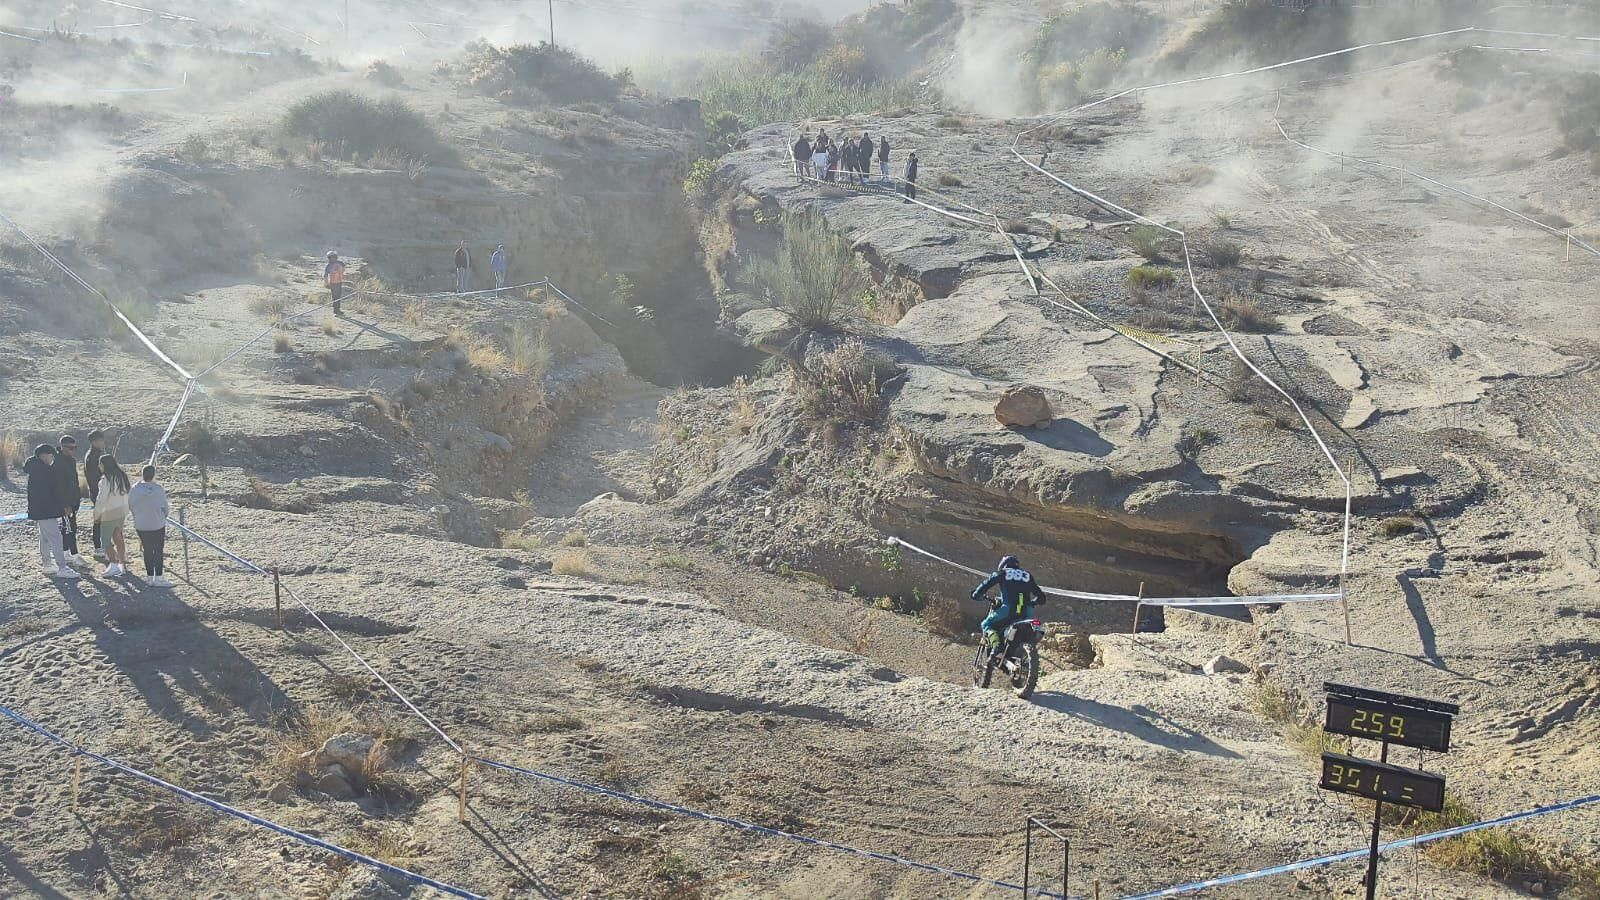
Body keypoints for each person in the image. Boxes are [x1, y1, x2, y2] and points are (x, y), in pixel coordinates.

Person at [971, 555, 1046, 655]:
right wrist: (1032, 603)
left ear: (1003, 565)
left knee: (986, 624)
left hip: (1008, 610)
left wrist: (976, 594)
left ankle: (996, 646)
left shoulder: (1002, 572)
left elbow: (985, 584)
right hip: (1025, 614)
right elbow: (1042, 598)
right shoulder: (1027, 575)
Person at [25, 445, 76, 579]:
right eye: (50, 455)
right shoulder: (43, 471)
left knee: (45, 537)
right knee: (56, 538)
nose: (51, 458)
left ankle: (47, 564)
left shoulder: (36, 469)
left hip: (41, 510)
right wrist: (63, 506)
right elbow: (54, 491)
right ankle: (62, 567)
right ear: (43, 455)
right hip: (46, 510)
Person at [129, 464, 172, 588]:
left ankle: (149, 577)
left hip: (141, 524)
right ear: (153, 475)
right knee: (158, 550)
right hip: (157, 524)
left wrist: (138, 515)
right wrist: (162, 516)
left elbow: (131, 505)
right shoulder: (158, 489)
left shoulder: (134, 489)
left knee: (147, 550)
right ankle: (158, 577)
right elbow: (165, 508)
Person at [94, 456, 132, 578]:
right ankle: (122, 564)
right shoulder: (122, 477)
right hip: (121, 512)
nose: (99, 466)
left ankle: (113, 564)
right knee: (118, 538)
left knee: (105, 540)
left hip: (109, 513)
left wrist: (96, 515)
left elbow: (101, 500)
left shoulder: (106, 480)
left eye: (100, 464)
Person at [52, 434, 86, 564]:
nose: (73, 450)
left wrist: (77, 499)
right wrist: (65, 505)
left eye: (74, 447)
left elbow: (74, 482)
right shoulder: (57, 462)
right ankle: (74, 555)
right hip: (65, 503)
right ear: (63, 447)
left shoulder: (71, 461)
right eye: (70, 448)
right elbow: (59, 486)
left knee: (69, 527)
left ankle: (65, 552)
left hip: (73, 500)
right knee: (70, 528)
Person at [83, 428, 107, 559]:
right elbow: (93, 478)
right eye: (100, 440)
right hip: (98, 492)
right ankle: (98, 547)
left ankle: (102, 545)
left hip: (100, 492)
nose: (103, 443)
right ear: (94, 442)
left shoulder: (97, 454)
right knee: (99, 521)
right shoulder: (93, 457)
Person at [324, 250, 346, 315]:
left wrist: (326, 283)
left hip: (337, 282)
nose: (332, 258)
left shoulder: (331, 265)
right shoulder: (338, 263)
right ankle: (336, 310)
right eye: (331, 257)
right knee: (336, 297)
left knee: (337, 297)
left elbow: (325, 275)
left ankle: (337, 310)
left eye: (333, 257)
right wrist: (326, 283)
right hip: (334, 283)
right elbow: (326, 275)